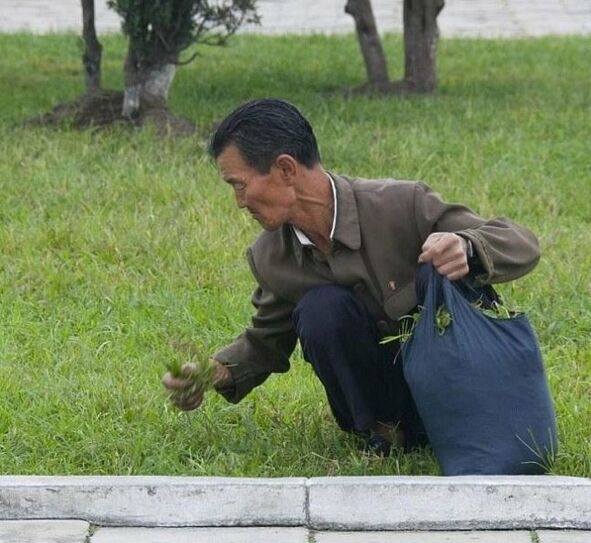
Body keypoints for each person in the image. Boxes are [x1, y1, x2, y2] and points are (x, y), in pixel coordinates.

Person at [162, 98, 540, 455]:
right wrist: (213, 373)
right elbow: (266, 341)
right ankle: (384, 431)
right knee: (321, 309)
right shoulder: (270, 256)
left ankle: (459, 421)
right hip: (387, 404)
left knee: (434, 270)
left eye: (239, 185)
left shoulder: (401, 203)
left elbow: (520, 243)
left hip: (460, 392)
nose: (240, 202)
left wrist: (467, 247)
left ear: (286, 169)